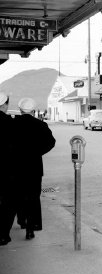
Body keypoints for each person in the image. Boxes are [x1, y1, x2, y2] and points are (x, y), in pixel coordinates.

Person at [11, 98, 55, 241]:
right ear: (34, 110)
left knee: (18, 195)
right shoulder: (41, 125)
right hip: (34, 167)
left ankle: (21, 220)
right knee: (33, 197)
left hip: (15, 167)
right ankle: (31, 229)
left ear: (20, 109)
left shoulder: (12, 124)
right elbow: (51, 142)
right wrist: (38, 152)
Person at [0, 92, 15, 245]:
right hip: (7, 171)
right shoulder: (10, 123)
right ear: (4, 105)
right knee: (8, 203)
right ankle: (4, 234)